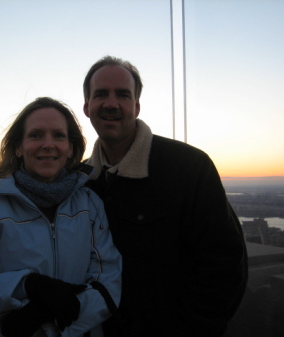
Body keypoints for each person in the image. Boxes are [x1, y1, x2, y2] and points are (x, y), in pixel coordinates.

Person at [82, 56, 248, 337]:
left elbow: (225, 266)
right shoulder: (82, 180)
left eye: (122, 94)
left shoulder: (189, 167)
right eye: (101, 94)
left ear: (136, 106)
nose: (111, 104)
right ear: (87, 107)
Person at [0, 97, 122, 337]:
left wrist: (52, 317)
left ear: (70, 148)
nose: (48, 144)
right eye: (36, 135)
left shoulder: (90, 204)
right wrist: (27, 285)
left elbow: (109, 284)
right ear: (18, 147)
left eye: (59, 136)